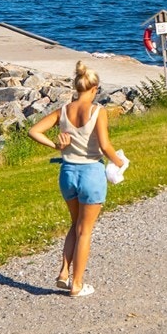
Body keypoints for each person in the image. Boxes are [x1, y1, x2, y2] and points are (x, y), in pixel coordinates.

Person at [27, 60, 118, 298]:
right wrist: (120, 162)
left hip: (67, 173)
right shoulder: (98, 111)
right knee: (85, 231)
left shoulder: (63, 111)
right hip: (91, 173)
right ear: (95, 88)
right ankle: (77, 284)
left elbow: (33, 131)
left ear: (77, 87)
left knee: (74, 224)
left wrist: (55, 145)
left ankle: (64, 272)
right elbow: (105, 145)